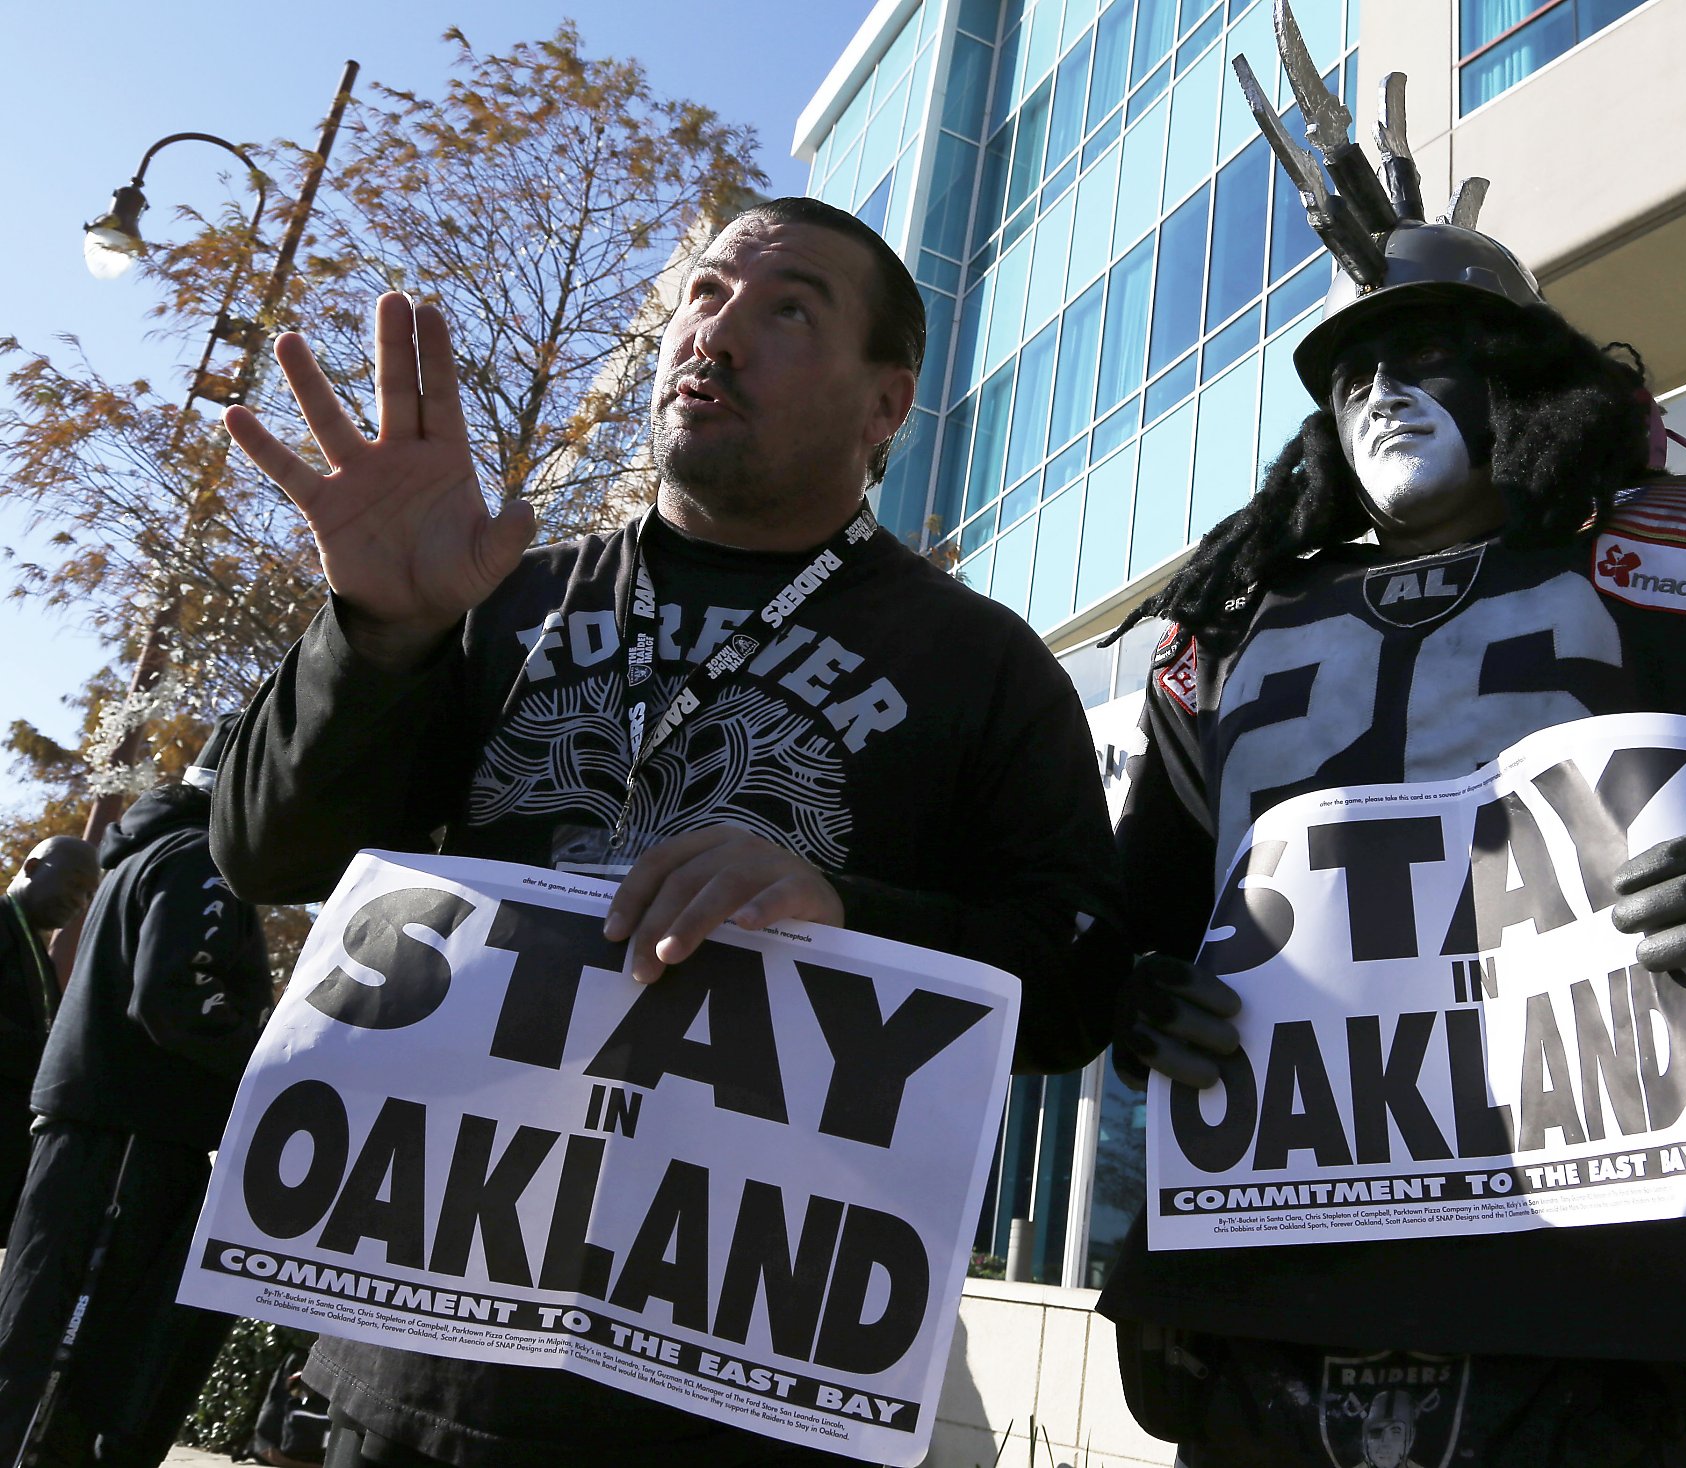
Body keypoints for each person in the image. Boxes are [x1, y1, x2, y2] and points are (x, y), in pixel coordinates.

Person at [1095, 13, 1686, 1466]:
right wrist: (1133, 992)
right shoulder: (1231, 618)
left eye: (1426, 351)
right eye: (1350, 369)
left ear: (1527, 373)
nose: (1380, 388)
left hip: (1603, 1321)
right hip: (1254, 1308)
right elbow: (1113, 934)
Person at [209, 195, 1119, 1465]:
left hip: (736, 1393)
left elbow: (1075, 984)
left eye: (788, 307)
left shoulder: (984, 667)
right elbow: (267, 854)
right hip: (414, 1369)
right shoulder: (489, 594)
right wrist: (376, 638)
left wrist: (844, 910)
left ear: (885, 409)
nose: (718, 330)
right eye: (704, 294)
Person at [0, 720, 272, 1465]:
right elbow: (173, 997)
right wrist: (268, 1057)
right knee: (71, 1358)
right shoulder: (203, 858)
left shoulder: (151, 855)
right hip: (129, 1138)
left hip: (107, 1132)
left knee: (38, 1342)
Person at [0, 835, 97, 1231]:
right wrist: (48, 1059)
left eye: (88, 893)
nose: (79, 901)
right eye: (75, 884)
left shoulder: (28, 941)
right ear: (34, 867)